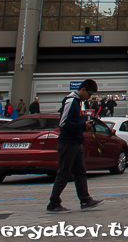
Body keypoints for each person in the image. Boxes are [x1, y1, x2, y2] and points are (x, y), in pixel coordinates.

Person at [47, 79, 102, 213]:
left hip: (76, 142)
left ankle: (85, 200)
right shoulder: (71, 100)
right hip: (67, 142)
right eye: (89, 94)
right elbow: (63, 123)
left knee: (80, 172)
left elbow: (73, 121)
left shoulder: (79, 102)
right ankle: (53, 203)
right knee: (64, 173)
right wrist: (82, 125)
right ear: (83, 90)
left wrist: (84, 126)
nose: (89, 97)